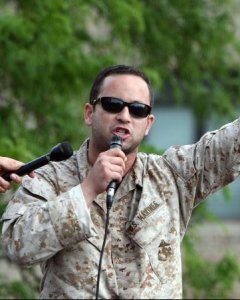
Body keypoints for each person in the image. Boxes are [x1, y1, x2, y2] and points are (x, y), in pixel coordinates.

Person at [1, 64, 240, 299]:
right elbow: (16, 246)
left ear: (148, 124)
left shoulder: (172, 175)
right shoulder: (49, 177)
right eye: (113, 104)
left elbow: (230, 145)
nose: (125, 116)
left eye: (137, 109)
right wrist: (88, 189)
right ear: (89, 113)